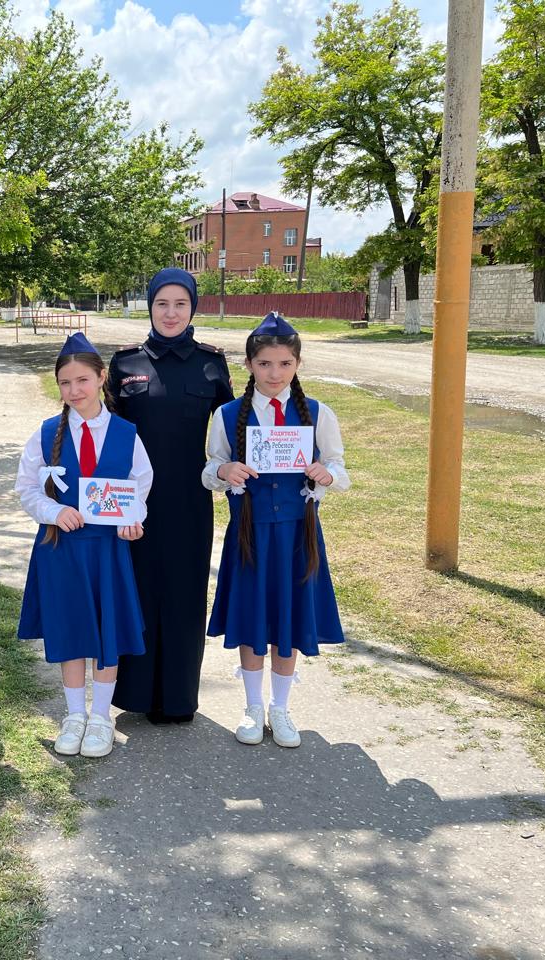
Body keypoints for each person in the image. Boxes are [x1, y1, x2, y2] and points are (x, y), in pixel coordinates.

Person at [203, 313, 350, 748]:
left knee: (287, 617)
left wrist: (326, 474)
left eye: (285, 363)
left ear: (297, 364)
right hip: (249, 534)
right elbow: (210, 469)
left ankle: (280, 708)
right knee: (253, 616)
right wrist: (224, 471)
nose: (274, 373)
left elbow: (340, 468)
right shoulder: (228, 414)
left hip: (297, 537)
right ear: (249, 365)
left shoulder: (318, 413)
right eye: (264, 363)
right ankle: (252, 706)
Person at [16, 332, 153, 759]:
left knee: (107, 631)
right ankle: (74, 715)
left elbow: (140, 485)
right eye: (65, 383)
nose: (74, 390)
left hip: (107, 551)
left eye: (82, 380)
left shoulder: (126, 434)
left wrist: (132, 519)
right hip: (62, 551)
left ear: (101, 378)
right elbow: (26, 488)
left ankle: (100, 717)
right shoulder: (46, 434)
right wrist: (54, 511)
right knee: (71, 629)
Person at [109, 268, 233, 724]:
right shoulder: (125, 363)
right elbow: (104, 433)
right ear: (150, 306)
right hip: (133, 500)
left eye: (181, 304)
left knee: (184, 592)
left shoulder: (211, 363)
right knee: (138, 589)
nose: (171, 313)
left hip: (189, 499)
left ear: (193, 307)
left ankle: (179, 698)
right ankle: (136, 693)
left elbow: (232, 434)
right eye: (162, 303)